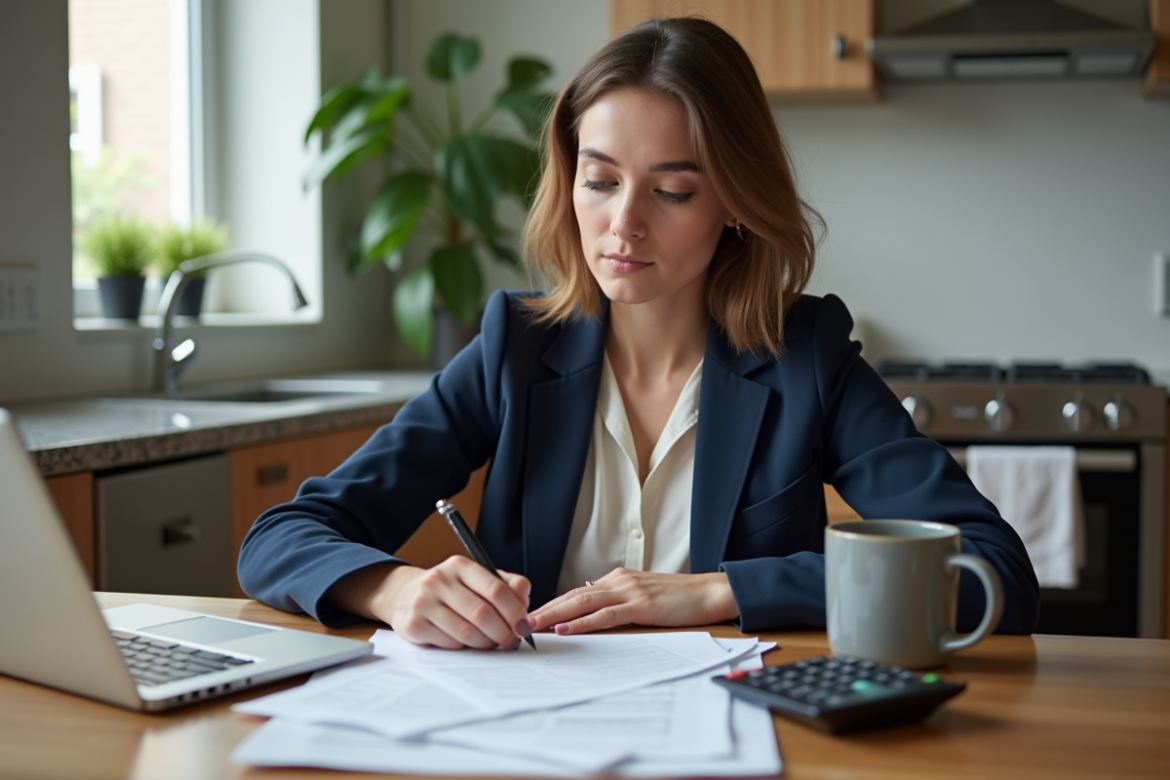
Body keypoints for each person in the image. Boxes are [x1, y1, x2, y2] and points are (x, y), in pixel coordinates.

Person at [238, 17, 1039, 650]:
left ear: (733, 203)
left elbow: (991, 571)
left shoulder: (809, 359)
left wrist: (721, 591)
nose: (624, 225)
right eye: (601, 180)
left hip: (740, 732)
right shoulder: (513, 351)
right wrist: (396, 590)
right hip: (535, 733)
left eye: (673, 191)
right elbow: (280, 539)